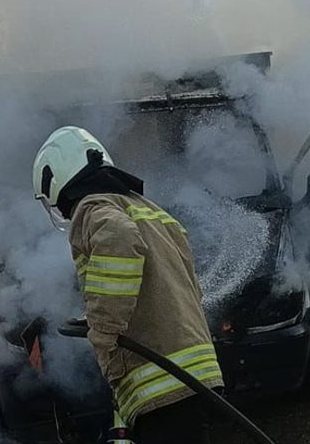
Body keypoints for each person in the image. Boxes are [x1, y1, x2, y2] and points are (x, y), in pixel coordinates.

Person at [32, 126, 222, 444]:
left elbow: (119, 241)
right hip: (196, 372)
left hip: (160, 379)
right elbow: (183, 281)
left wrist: (104, 332)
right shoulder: (150, 210)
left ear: (58, 180)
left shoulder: (92, 208)